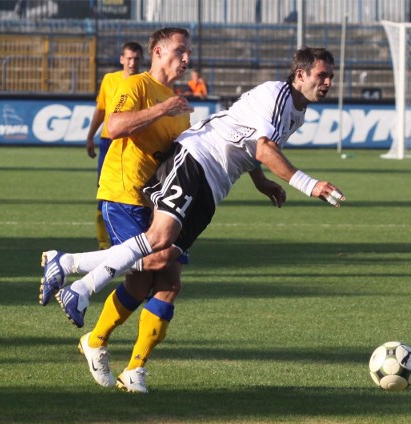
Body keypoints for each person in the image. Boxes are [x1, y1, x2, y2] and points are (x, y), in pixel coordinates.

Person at [47, 46, 345, 392]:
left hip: (214, 186)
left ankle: (129, 367)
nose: (328, 81)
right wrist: (308, 184)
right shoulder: (277, 95)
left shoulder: (297, 112)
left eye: (330, 76)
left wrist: (261, 180)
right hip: (196, 158)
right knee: (160, 238)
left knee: (166, 272)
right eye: (322, 75)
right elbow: (262, 146)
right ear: (300, 75)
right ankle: (75, 275)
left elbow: (250, 147)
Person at [39, 27, 194, 394]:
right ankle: (68, 264)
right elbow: (115, 125)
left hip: (154, 203)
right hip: (123, 195)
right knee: (156, 266)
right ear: (157, 52)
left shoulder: (180, 107)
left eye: (188, 53)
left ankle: (120, 358)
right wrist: (162, 109)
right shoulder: (137, 86)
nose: (186, 59)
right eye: (180, 51)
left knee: (159, 282)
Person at [85, 41, 144, 250]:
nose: (132, 62)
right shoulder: (110, 80)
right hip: (108, 140)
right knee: (104, 189)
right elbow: (101, 110)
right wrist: (90, 136)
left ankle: (133, 237)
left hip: (133, 141)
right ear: (121, 59)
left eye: (136, 58)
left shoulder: (145, 82)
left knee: (133, 189)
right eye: (129, 58)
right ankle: (104, 243)